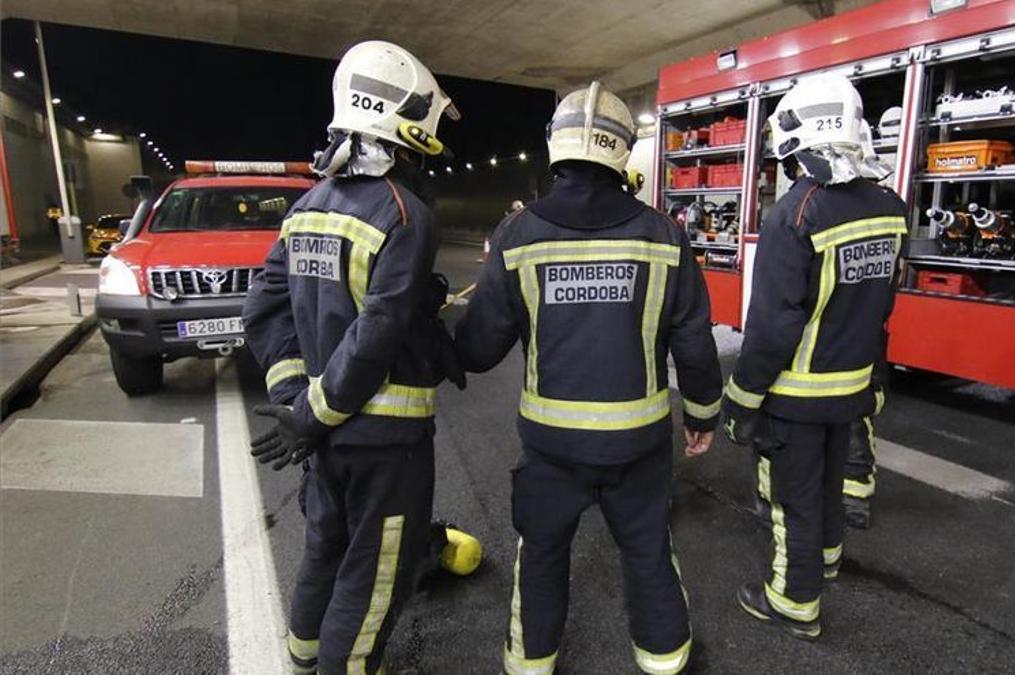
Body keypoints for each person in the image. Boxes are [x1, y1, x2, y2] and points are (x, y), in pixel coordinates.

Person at [454, 81, 722, 675]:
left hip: (551, 448)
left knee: (543, 555)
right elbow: (695, 342)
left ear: (557, 146)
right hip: (640, 443)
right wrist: (703, 414)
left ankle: (531, 663)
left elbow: (479, 348)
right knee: (648, 552)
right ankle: (665, 659)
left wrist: (433, 332)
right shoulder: (663, 235)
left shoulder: (519, 236)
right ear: (621, 151)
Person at [242, 40, 474, 675]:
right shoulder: (405, 211)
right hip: (383, 440)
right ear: (400, 116)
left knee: (325, 546)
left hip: (323, 435)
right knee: (375, 573)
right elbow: (376, 332)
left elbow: (266, 310)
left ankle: (302, 654)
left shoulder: (307, 206)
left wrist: (296, 402)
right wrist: (314, 412)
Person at [722, 73, 907, 640]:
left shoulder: (797, 213)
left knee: (792, 499)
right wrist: (875, 378)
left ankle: (794, 600)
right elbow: (881, 308)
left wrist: (741, 399)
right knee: (829, 483)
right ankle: (827, 558)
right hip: (850, 387)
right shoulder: (890, 206)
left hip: (797, 395)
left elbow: (775, 325)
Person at [841, 120, 901, 530]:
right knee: (859, 416)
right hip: (869, 335)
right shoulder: (892, 206)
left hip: (829, 339)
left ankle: (841, 499)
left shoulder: (819, 209)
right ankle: (856, 496)